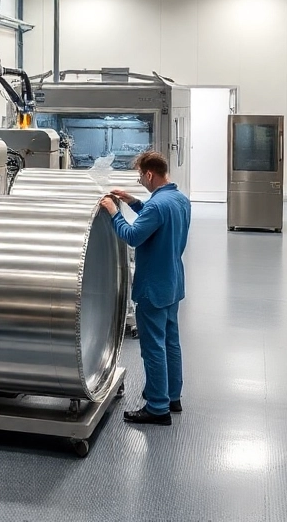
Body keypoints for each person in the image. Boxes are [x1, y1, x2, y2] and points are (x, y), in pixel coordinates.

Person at [100, 150, 191, 426]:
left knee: (152, 348)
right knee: (170, 343)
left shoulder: (157, 206)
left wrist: (114, 211)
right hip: (172, 283)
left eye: (141, 178)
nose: (142, 181)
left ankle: (157, 407)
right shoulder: (179, 200)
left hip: (153, 287)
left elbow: (132, 236)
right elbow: (157, 220)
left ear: (149, 174)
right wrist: (132, 201)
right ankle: (172, 397)